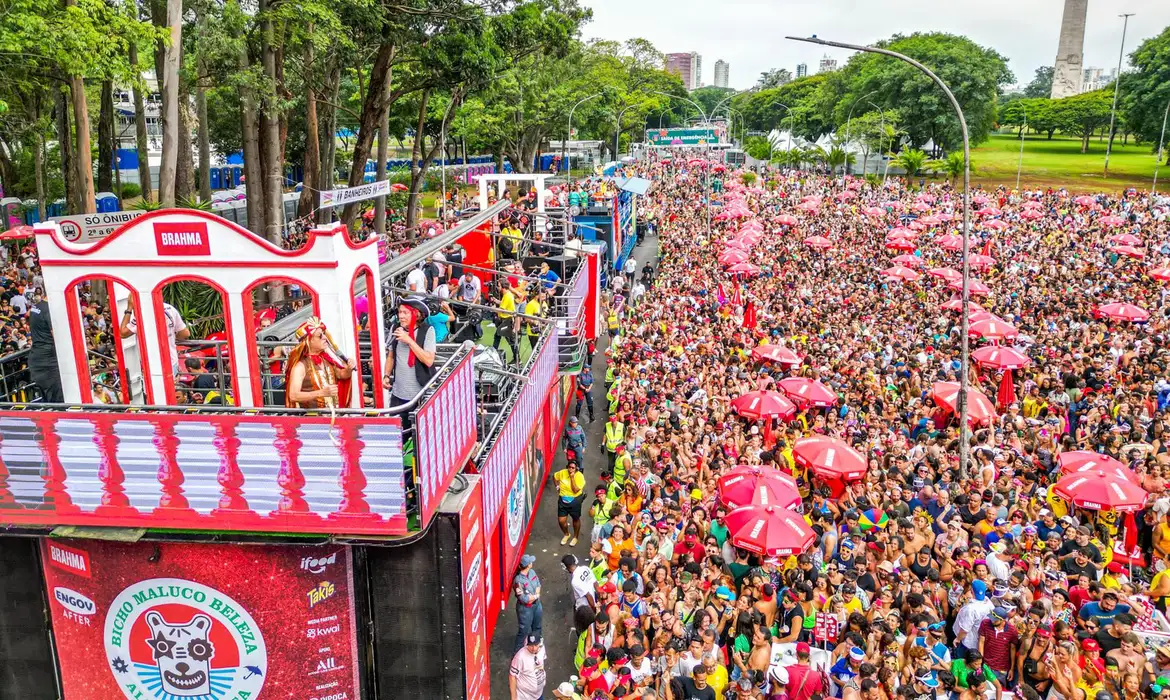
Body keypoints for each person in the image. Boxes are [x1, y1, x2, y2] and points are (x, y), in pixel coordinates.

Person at [285, 318, 356, 409]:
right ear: (308, 341)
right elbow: (293, 395)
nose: (325, 338)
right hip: (312, 419)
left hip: (334, 416)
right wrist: (321, 393)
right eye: (320, 336)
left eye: (324, 334)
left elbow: (342, 375)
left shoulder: (326, 359)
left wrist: (349, 368)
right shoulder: (300, 366)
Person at [383, 297, 436, 411]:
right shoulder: (395, 328)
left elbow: (428, 360)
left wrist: (409, 340)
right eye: (399, 312)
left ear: (416, 314)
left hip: (420, 393)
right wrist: (386, 375)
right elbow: (391, 356)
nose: (401, 316)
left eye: (405, 312)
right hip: (398, 393)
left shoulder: (428, 330)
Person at [120, 301, 190, 376]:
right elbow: (185, 333)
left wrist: (129, 308)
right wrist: (171, 339)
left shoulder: (143, 313)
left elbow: (123, 333)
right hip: (171, 361)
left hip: (153, 365)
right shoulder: (170, 309)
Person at [27, 291, 63, 403]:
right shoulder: (49, 310)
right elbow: (56, 336)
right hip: (48, 359)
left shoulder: (35, 308)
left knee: (47, 397)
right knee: (57, 398)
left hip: (37, 357)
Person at [514, 554, 543, 653]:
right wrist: (536, 596)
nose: (532, 563)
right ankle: (517, 654)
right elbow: (524, 599)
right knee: (524, 632)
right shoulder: (518, 581)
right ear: (528, 565)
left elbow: (538, 584)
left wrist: (535, 596)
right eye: (531, 562)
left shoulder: (532, 572)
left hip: (536, 605)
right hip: (525, 610)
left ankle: (536, 646)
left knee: (537, 627)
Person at [555, 460, 587, 546]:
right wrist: (557, 487)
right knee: (561, 520)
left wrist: (572, 478)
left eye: (573, 468)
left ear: (576, 468)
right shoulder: (562, 473)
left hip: (575, 500)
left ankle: (575, 537)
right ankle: (566, 534)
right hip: (562, 500)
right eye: (569, 467)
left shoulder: (580, 476)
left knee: (575, 519)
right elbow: (555, 477)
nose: (571, 469)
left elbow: (575, 490)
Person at [511, 633, 547, 700]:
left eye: (536, 645)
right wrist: (513, 698)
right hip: (525, 697)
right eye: (531, 645)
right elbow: (512, 676)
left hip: (539, 694)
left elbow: (542, 664)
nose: (534, 648)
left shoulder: (542, 649)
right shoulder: (520, 657)